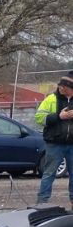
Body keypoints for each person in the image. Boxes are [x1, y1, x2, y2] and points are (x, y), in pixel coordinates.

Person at [35, 74, 73, 207]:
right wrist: (59, 116)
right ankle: (42, 203)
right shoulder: (51, 99)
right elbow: (39, 118)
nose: (60, 88)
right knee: (49, 173)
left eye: (64, 86)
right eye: (60, 86)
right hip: (54, 144)